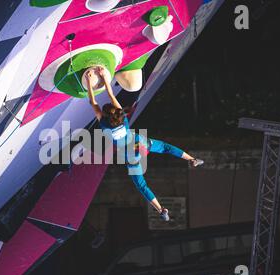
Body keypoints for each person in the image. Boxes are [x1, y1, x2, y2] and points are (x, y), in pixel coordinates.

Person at [85, 66, 204, 221]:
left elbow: (99, 99)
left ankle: (162, 209)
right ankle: (191, 160)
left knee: (143, 184)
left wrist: (92, 80)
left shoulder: (111, 120)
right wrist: (94, 79)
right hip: (137, 146)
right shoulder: (120, 116)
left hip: (136, 149)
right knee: (164, 150)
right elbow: (102, 97)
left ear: (107, 114)